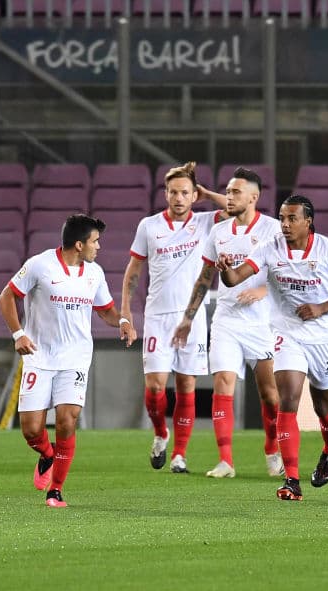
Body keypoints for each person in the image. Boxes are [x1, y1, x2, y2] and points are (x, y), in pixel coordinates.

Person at [216, 195, 328, 501]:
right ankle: (292, 480)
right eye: (282, 218)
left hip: (322, 336)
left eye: (291, 218)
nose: (284, 224)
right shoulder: (270, 248)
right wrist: (224, 269)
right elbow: (234, 279)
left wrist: (323, 307)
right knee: (288, 401)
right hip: (287, 333)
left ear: (307, 222)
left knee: (323, 405)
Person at [0, 214, 137, 507]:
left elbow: (105, 310)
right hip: (39, 356)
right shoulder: (40, 265)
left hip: (75, 357)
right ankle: (47, 455)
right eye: (95, 241)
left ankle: (55, 490)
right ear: (78, 244)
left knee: (67, 420)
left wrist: (122, 321)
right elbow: (6, 297)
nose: (99, 247)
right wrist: (18, 334)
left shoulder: (94, 273)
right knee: (32, 430)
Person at [171, 167, 282, 479]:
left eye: (235, 192)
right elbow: (205, 277)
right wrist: (188, 318)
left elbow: (287, 274)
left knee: (270, 394)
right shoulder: (219, 233)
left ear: (253, 197)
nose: (229, 196)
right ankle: (226, 461)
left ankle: (273, 450)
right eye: (228, 191)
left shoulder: (274, 230)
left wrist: (263, 289)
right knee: (223, 383)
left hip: (263, 323)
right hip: (226, 319)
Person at [121, 161, 226, 474]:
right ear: (165, 194)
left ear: (193, 196)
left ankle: (180, 454)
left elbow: (239, 210)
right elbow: (133, 270)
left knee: (186, 385)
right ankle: (160, 433)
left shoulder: (208, 222)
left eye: (185, 192)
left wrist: (207, 193)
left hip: (192, 318)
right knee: (155, 388)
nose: (178, 197)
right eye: (173, 192)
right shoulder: (149, 226)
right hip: (157, 316)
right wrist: (126, 311)